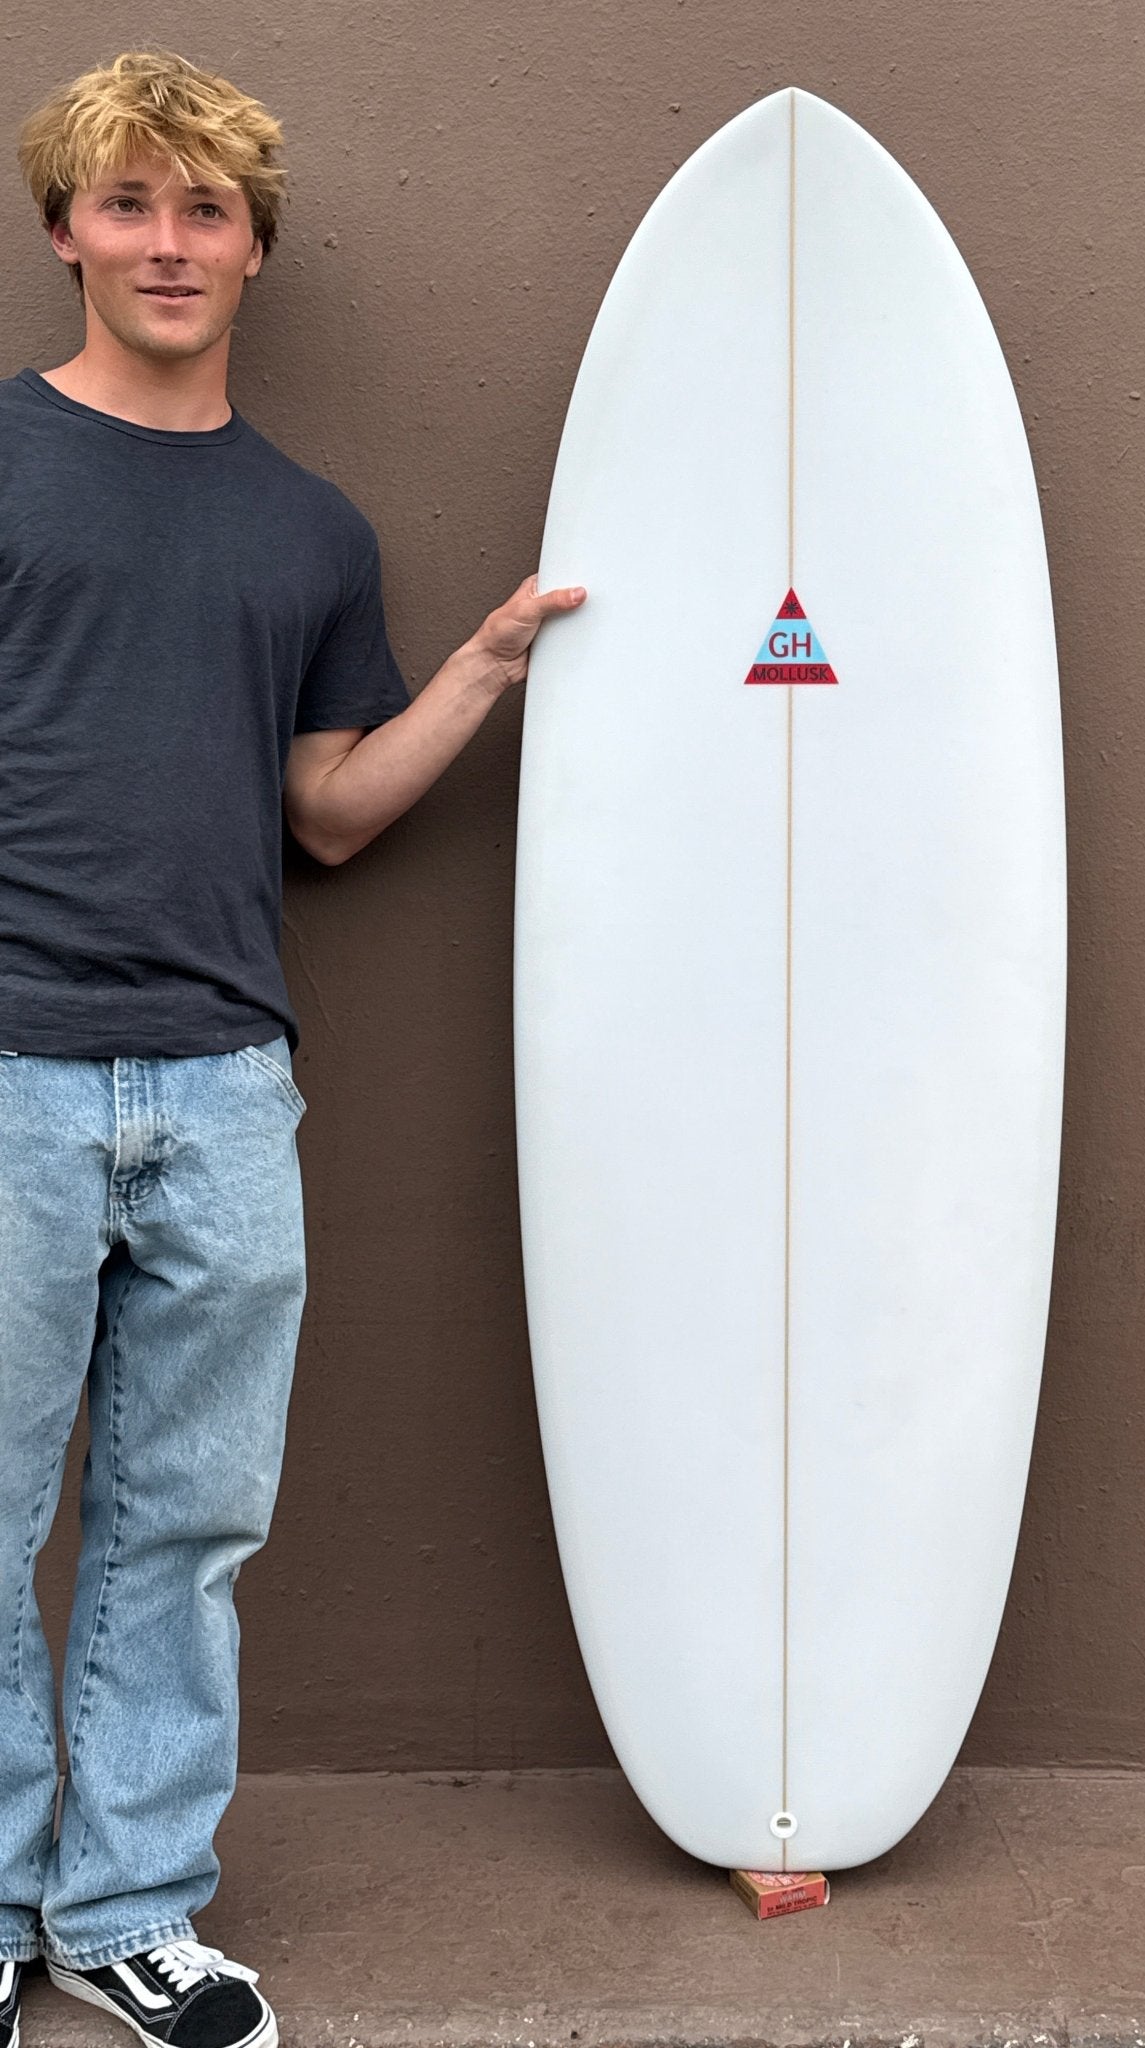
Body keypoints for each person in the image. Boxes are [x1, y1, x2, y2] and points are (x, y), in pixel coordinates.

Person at [0, 48, 585, 2048]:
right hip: (12, 1071)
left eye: (208, 211)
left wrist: (484, 669)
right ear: (65, 230)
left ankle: (128, 1907)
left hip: (227, 1090)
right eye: (130, 204)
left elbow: (326, 813)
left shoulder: (312, 530)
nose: (169, 243)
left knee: (186, 1526)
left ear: (256, 248)